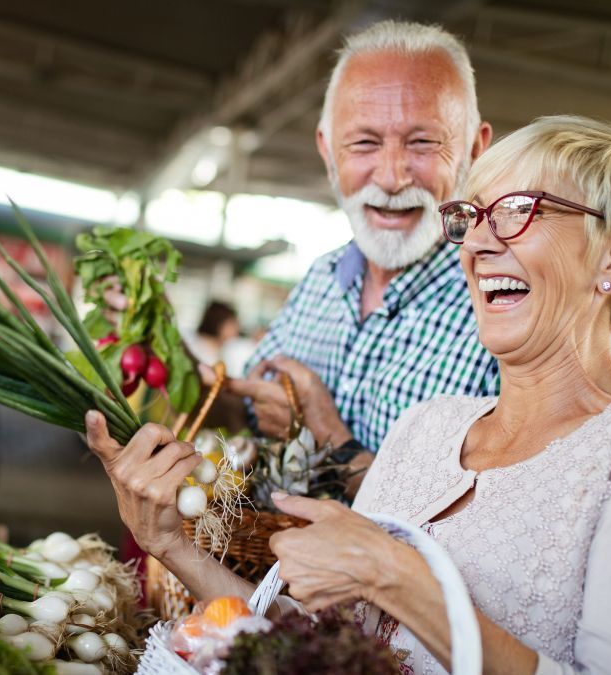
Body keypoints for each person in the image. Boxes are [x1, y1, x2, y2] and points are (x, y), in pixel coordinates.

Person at [85, 115, 611, 674]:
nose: (479, 242)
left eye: (518, 211)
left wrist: (395, 574)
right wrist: (171, 543)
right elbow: (318, 648)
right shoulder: (427, 426)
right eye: (472, 216)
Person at [99, 21, 499, 479]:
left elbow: (484, 520)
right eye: (364, 143)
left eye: (423, 142)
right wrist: (166, 346)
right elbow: (238, 419)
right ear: (328, 152)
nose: (391, 177)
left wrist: (324, 434)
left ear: (475, 148)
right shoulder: (321, 278)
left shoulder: (501, 306)